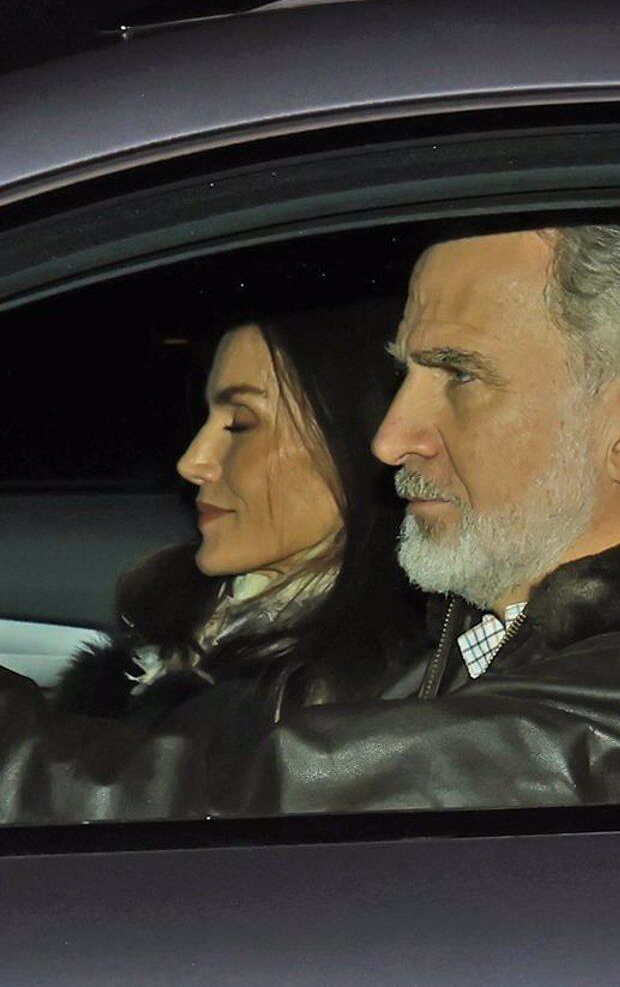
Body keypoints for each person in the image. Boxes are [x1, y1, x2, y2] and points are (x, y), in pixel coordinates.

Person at [0, 220, 620, 822]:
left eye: (460, 374)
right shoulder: (478, 644)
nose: (388, 437)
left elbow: (229, 804)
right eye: (407, 374)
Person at [52, 305, 424, 728]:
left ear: (356, 446)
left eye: (240, 424)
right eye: (206, 419)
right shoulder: (181, 625)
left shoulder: (361, 701)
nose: (193, 462)